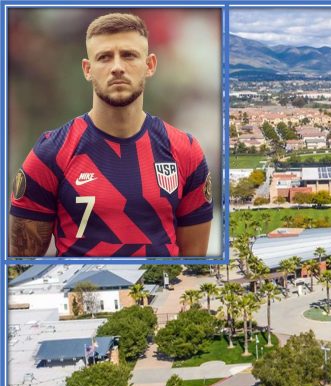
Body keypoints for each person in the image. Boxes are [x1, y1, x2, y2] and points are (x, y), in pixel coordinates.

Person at [9, 12, 213, 257]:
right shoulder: (50, 152)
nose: (117, 67)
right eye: (104, 57)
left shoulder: (185, 150)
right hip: (83, 293)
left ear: (150, 65)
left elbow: (194, 265)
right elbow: (22, 266)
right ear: (87, 69)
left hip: (157, 293)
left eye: (129, 55)